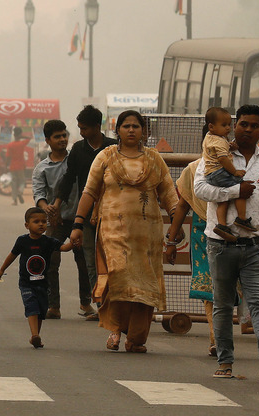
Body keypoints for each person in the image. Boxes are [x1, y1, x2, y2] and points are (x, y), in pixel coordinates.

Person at [71, 110, 178, 353]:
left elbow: (169, 194)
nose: (131, 130)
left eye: (136, 126)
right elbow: (89, 191)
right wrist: (78, 224)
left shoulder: (154, 159)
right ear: (117, 130)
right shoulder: (105, 157)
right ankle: (116, 329)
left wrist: (174, 223)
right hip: (112, 231)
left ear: (144, 131)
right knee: (117, 277)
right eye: (126, 126)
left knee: (143, 285)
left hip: (147, 236)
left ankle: (136, 339)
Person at [193, 104, 259, 380]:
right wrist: (235, 190)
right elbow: (200, 188)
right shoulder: (216, 152)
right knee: (222, 304)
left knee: (258, 302)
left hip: (256, 243)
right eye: (243, 124)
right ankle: (225, 362)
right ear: (235, 125)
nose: (248, 129)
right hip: (220, 244)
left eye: (254, 125)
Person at [58, 105, 118, 321]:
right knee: (90, 261)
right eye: (79, 128)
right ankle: (101, 304)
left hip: (112, 214)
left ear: (96, 127)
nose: (81, 132)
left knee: (113, 260)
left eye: (84, 128)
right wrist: (57, 202)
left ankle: (117, 304)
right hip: (85, 214)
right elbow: (69, 178)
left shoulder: (113, 148)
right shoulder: (78, 150)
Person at [31, 119, 94, 320]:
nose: (62, 139)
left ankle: (86, 303)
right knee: (50, 261)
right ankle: (53, 306)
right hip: (55, 221)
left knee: (84, 261)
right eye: (57, 137)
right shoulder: (42, 168)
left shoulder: (76, 160)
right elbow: (39, 193)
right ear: (48, 140)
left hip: (79, 219)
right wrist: (46, 208)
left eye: (64, 135)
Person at [164, 126, 215, 357]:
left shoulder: (238, 168)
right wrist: (171, 241)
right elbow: (182, 205)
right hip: (203, 232)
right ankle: (216, 338)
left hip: (236, 234)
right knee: (210, 289)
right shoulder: (193, 170)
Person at [0, 206, 74, 349]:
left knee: (42, 310)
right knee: (32, 306)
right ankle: (35, 335)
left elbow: (63, 248)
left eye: (44, 221)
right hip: (26, 283)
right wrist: (1, 269)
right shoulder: (22, 241)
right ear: (27, 225)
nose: (41, 224)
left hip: (43, 283)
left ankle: (35, 335)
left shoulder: (49, 241)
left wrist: (73, 243)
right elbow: (12, 255)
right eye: (36, 221)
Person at [202, 107, 252, 237]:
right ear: (211, 127)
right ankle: (242, 218)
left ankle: (222, 225)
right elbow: (223, 159)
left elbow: (219, 147)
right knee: (241, 188)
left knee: (224, 200)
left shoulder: (210, 137)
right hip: (219, 172)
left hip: (211, 174)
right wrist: (235, 172)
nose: (228, 128)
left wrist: (230, 146)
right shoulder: (219, 141)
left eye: (229, 125)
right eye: (224, 125)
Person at [4, 126, 30, 206]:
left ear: (14, 135)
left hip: (13, 166)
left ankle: (14, 200)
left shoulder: (10, 145)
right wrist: (22, 136)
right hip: (21, 166)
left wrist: (6, 166)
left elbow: (8, 157)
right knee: (22, 181)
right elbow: (29, 138)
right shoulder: (22, 143)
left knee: (14, 183)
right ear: (19, 134)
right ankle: (20, 192)